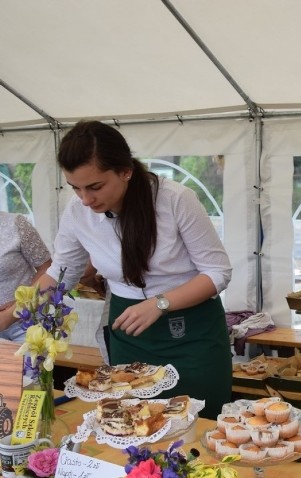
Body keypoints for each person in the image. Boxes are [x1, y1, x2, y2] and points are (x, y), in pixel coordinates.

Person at [40, 120, 233, 419]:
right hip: (128, 333)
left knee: (197, 425)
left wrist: (160, 303)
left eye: (95, 187)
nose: (85, 199)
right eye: (75, 188)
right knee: (132, 423)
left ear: (125, 171)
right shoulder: (77, 211)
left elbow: (217, 273)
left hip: (191, 333)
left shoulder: (175, 200)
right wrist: (22, 305)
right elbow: (61, 272)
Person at [0, 212, 52, 342]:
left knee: (31, 362)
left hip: (25, 321)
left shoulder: (16, 224)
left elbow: (47, 268)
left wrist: (20, 302)